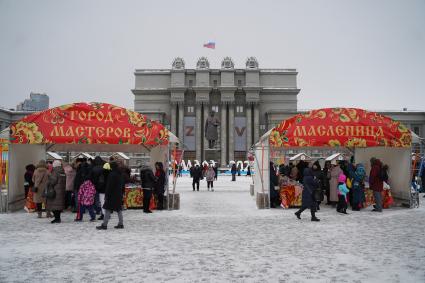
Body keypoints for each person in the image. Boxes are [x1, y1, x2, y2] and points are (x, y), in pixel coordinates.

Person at [97, 161, 124, 230]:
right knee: (118, 209)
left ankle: (104, 225)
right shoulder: (120, 174)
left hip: (112, 195)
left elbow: (109, 186)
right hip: (118, 194)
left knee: (107, 209)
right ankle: (121, 224)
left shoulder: (112, 174)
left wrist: (107, 195)